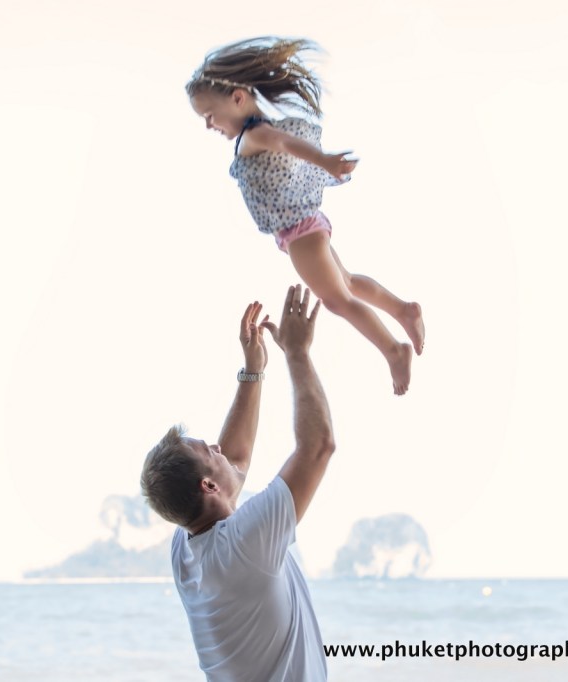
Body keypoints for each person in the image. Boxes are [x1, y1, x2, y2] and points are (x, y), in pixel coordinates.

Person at [186, 36, 426, 395]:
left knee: (337, 300)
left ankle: (393, 350)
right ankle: (403, 310)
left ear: (237, 99)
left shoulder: (256, 135)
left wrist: (324, 160)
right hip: (307, 226)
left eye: (209, 116)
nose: (209, 126)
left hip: (299, 231)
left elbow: (286, 144)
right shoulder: (254, 135)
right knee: (348, 284)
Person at [141, 285, 334, 681]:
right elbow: (318, 447)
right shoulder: (245, 544)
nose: (218, 447)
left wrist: (253, 369)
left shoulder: (186, 547)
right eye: (209, 450)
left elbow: (234, 461)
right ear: (208, 488)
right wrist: (297, 352)